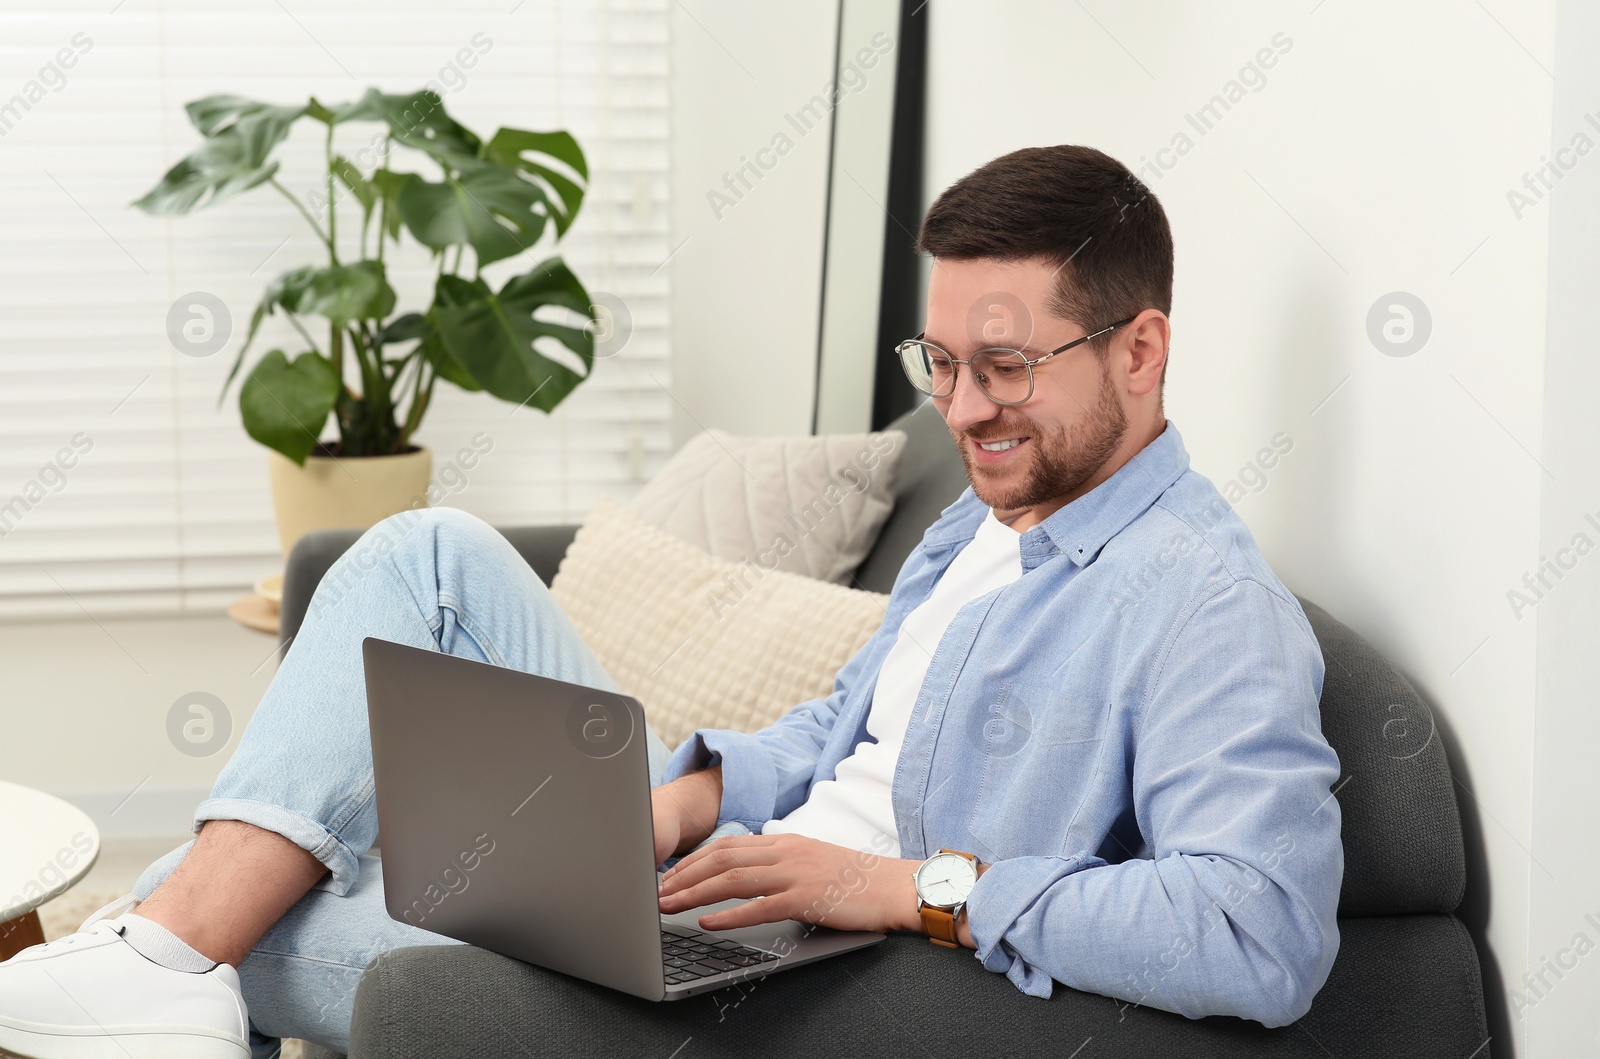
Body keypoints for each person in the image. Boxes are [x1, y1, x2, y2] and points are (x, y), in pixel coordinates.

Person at [0, 145, 1341, 1059]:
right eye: (940, 361)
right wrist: (691, 796)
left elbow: (1260, 932)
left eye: (1004, 366)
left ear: (1143, 351)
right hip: (737, 857)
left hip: (812, 950)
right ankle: (165, 963)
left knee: (230, 897)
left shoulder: (1204, 605)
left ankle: (162, 958)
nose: (964, 408)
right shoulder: (985, 522)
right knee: (428, 554)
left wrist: (902, 888)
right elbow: (845, 737)